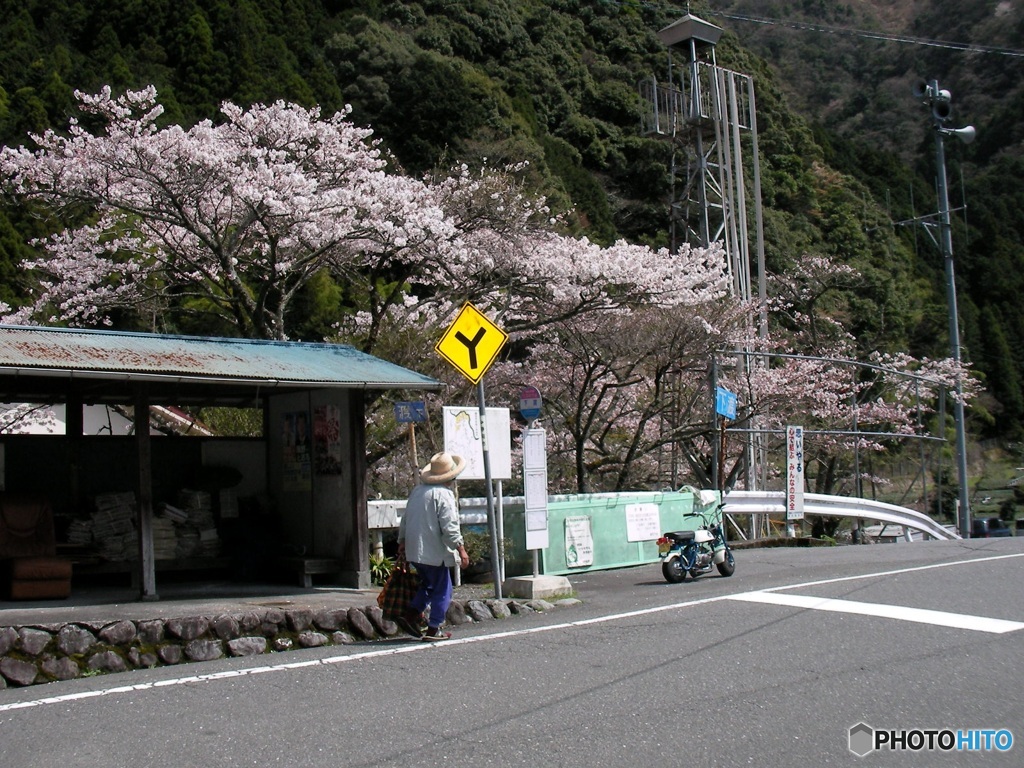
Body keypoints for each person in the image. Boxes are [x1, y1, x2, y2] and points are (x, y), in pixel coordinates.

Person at [397, 451, 470, 641]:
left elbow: (405, 519)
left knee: (429, 585)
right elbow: (450, 527)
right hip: (433, 552)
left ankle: (410, 615)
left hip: (415, 550)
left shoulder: (418, 491)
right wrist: (460, 549)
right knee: (443, 589)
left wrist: (402, 541)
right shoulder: (444, 495)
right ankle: (434, 627)